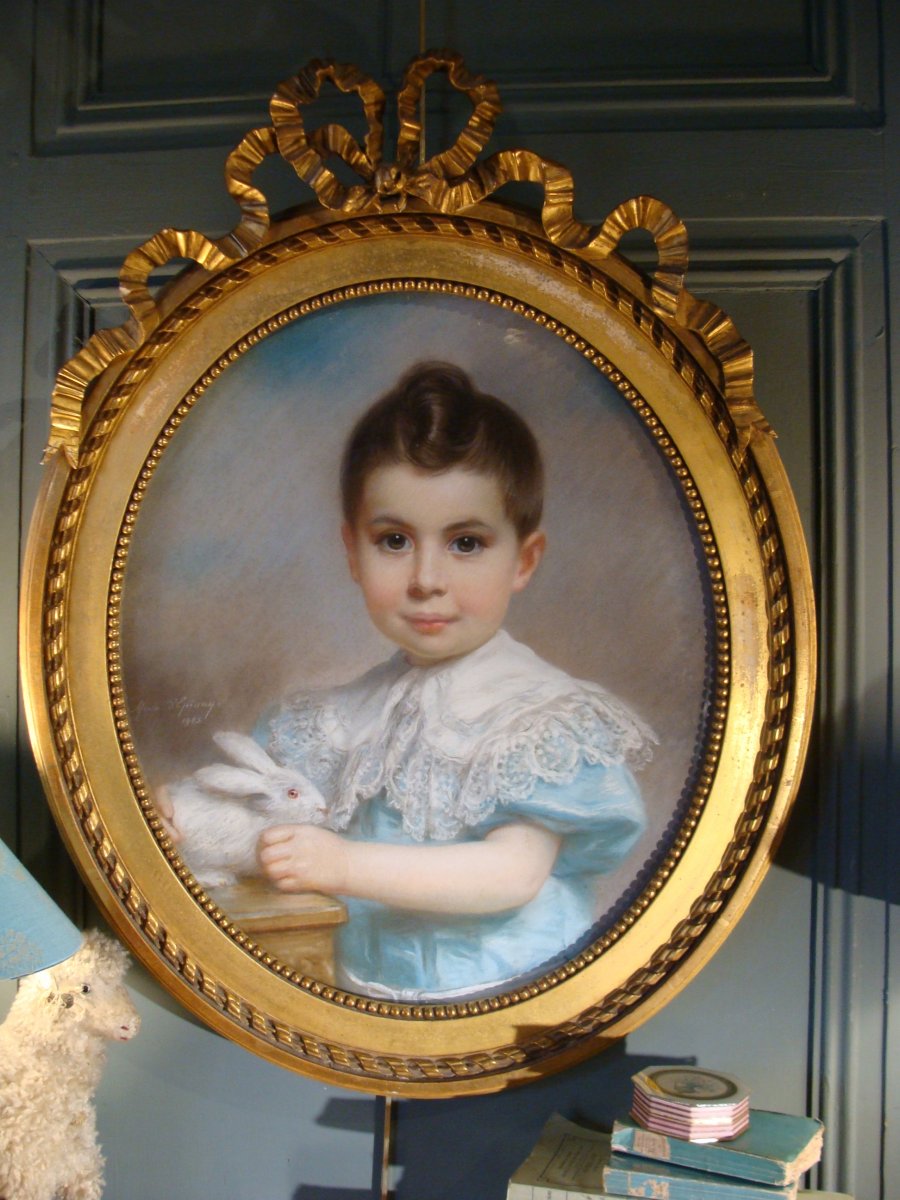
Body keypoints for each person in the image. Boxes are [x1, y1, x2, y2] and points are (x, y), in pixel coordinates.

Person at [250, 362, 653, 1002]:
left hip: (503, 996)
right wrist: (193, 819)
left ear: (523, 560)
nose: (426, 579)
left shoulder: (536, 717)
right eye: (394, 541)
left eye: (465, 543)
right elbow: (269, 816)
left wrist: (345, 864)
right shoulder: (341, 717)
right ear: (352, 552)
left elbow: (512, 874)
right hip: (362, 994)